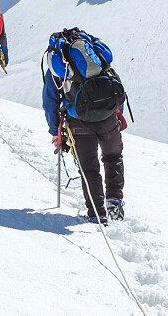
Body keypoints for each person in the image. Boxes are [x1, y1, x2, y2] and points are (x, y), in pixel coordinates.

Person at [42, 27, 127, 224]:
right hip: (108, 116)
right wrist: (117, 113)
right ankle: (115, 203)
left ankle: (97, 214)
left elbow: (50, 102)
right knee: (113, 157)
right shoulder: (97, 57)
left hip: (78, 121)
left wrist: (55, 131)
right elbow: (113, 82)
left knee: (89, 168)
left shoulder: (58, 66)